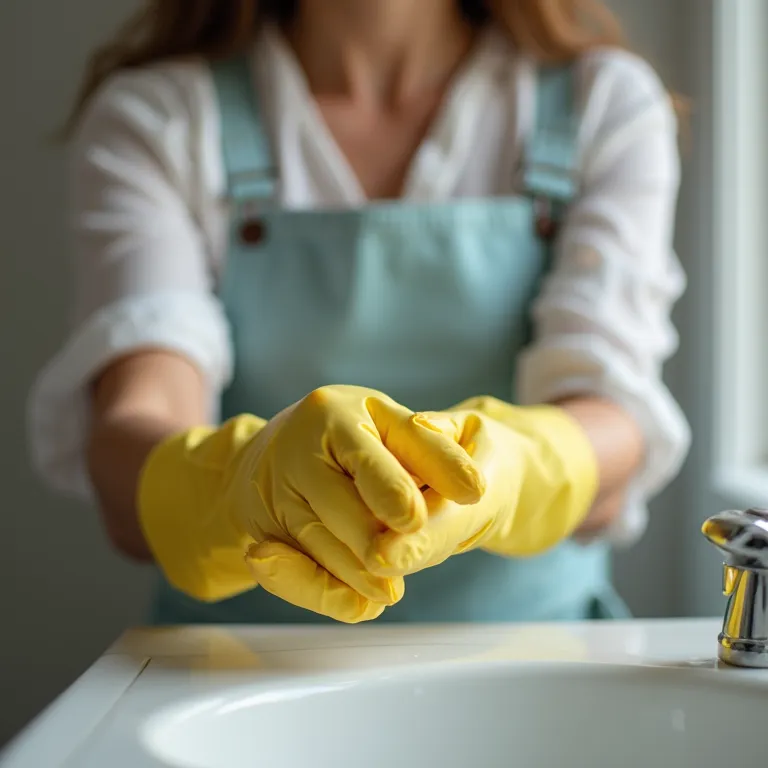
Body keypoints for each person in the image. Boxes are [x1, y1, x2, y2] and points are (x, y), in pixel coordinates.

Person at [28, 0, 690, 626]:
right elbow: (135, 429)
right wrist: (243, 483)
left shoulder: (598, 103)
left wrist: (515, 470)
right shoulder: (161, 119)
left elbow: (613, 415)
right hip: (238, 670)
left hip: (536, 661)